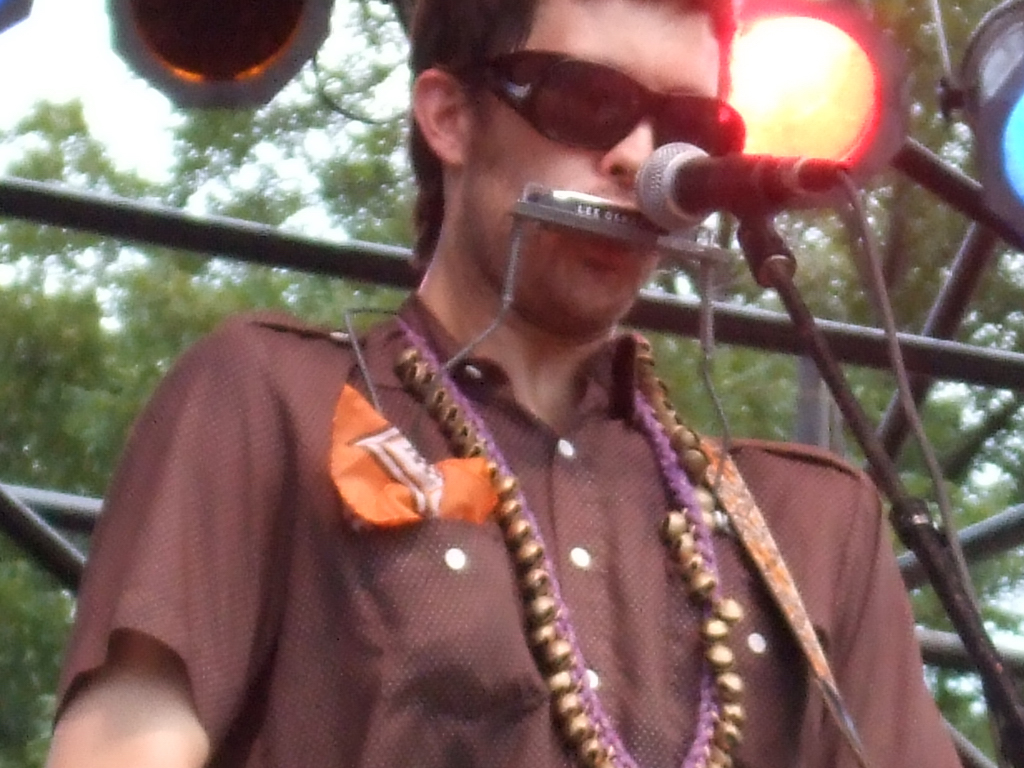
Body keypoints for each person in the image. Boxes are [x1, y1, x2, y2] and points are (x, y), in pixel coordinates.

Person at [46, 0, 962, 767]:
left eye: (690, 131)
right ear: (449, 117)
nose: (642, 160)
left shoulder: (815, 524)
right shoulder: (270, 395)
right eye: (588, 100)